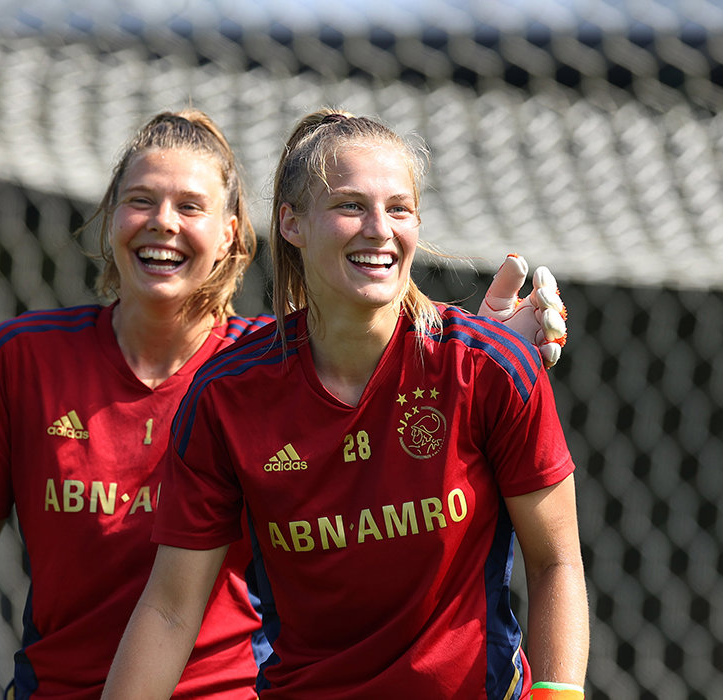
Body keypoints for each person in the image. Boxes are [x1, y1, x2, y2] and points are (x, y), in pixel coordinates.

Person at [0, 109, 571, 700]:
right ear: (109, 216)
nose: (163, 222)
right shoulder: (37, 361)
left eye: (191, 206)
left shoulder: (278, 365)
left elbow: (378, 336)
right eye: (141, 200)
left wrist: (476, 346)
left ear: (234, 230)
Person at [102, 109, 589, 699]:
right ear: (292, 223)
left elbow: (556, 563)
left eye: (399, 208)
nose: (379, 229)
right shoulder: (226, 396)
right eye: (350, 206)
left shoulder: (488, 368)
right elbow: (170, 610)